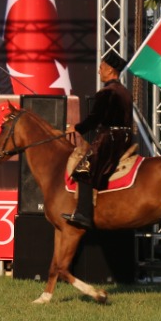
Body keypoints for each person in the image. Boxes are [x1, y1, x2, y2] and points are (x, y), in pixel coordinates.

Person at [64, 52, 134, 230]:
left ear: (110, 70)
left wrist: (76, 128)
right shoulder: (125, 92)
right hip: (125, 138)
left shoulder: (106, 92)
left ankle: (83, 215)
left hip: (110, 138)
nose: (98, 71)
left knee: (83, 169)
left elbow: (94, 119)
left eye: (101, 68)